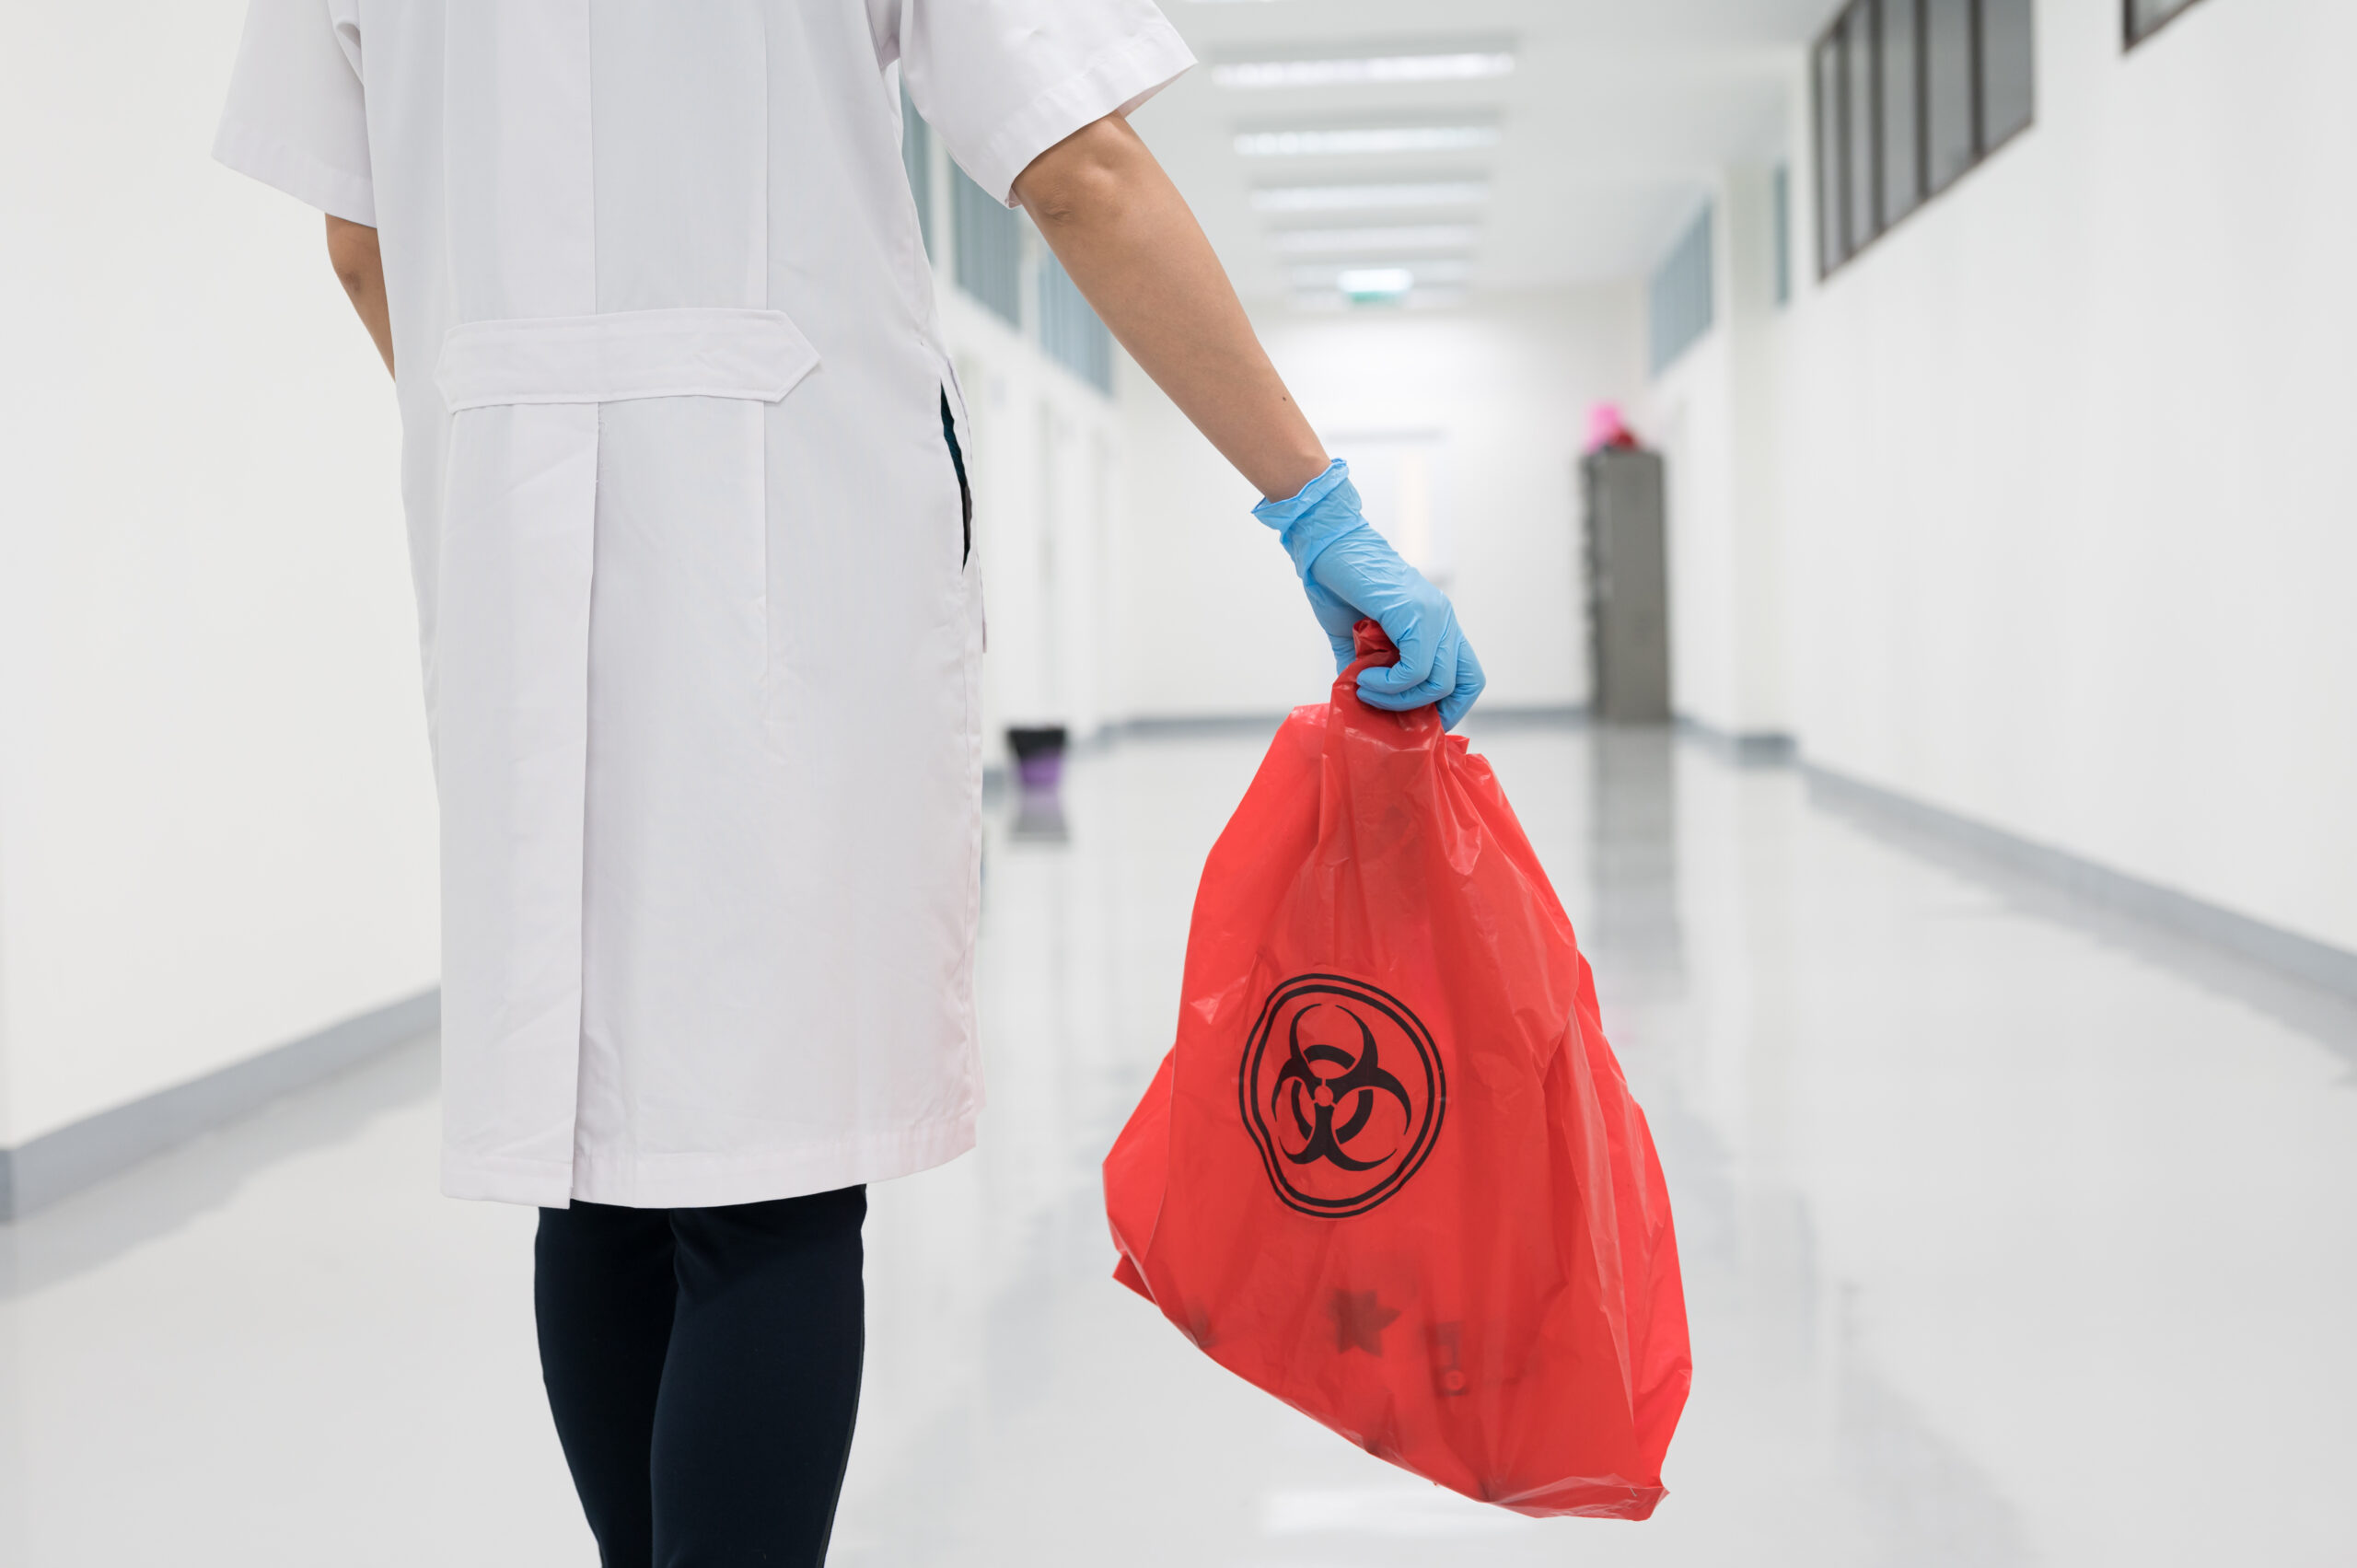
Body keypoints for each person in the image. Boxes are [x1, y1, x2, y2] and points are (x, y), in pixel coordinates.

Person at [214, 1, 1482, 1562]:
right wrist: (1313, 502)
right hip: (789, 545)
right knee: (773, 1180)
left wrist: (528, 421)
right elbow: (1080, 165)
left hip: (506, 562)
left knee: (594, 1167)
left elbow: (360, 239)